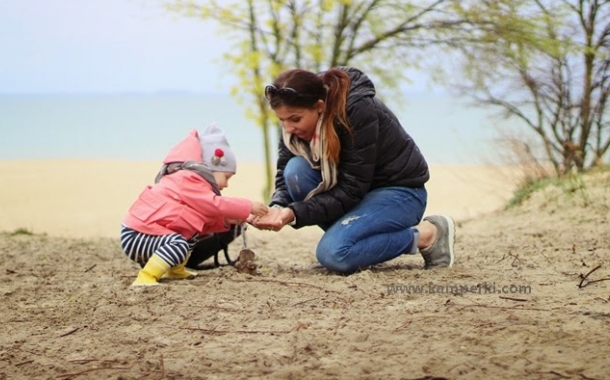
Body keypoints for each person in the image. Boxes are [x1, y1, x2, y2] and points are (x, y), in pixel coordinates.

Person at [250, 67, 455, 274]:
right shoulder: (294, 127)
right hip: (355, 197)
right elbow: (284, 172)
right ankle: (349, 241)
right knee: (295, 170)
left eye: (295, 119)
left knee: (333, 254)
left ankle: (429, 234)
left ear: (319, 107)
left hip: (400, 193)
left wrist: (294, 213)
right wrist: (276, 207)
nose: (287, 128)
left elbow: (352, 188)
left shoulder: (356, 111)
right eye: (281, 120)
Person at [120, 123, 268, 286]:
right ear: (210, 169)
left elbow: (199, 222)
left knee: (190, 234)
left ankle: (175, 270)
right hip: (136, 235)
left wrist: (225, 221)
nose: (226, 184)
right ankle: (146, 276)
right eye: (226, 177)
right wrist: (247, 206)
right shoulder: (188, 179)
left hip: (145, 233)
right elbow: (214, 205)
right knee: (179, 243)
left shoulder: (193, 185)